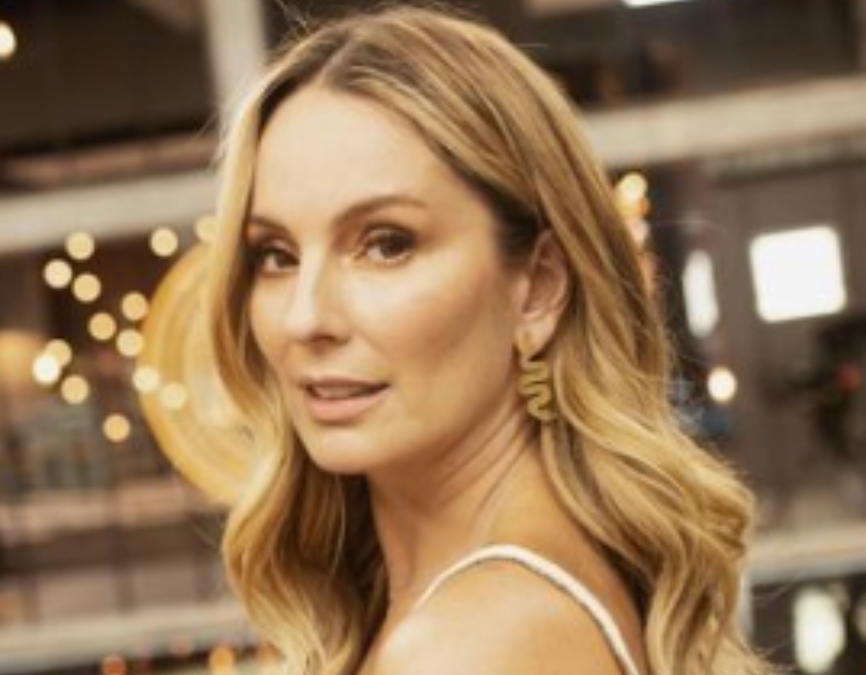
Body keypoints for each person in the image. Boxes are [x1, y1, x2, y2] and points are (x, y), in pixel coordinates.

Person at [203, 5, 774, 675]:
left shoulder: (468, 643)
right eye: (275, 255)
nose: (306, 317)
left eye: (387, 244)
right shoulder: (533, 588)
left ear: (537, 287)